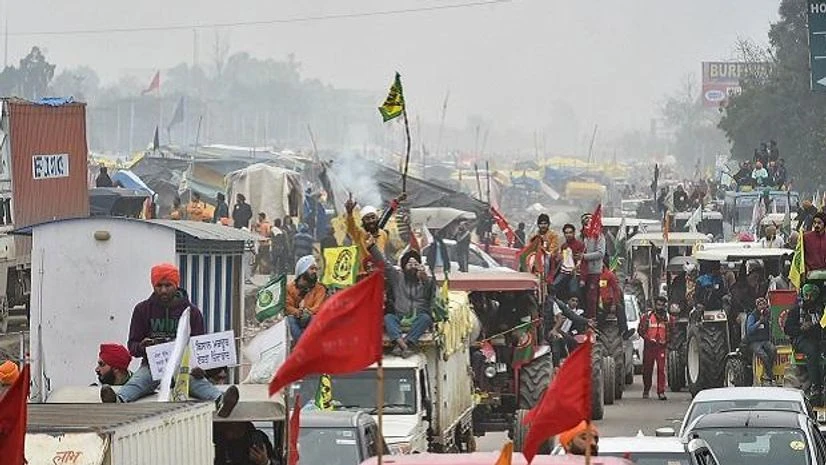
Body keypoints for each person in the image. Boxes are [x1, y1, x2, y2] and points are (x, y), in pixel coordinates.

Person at [100, 263, 239, 417]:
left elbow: (199, 347)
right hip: (153, 366)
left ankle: (221, 401)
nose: (163, 290)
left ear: (176, 285)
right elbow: (132, 347)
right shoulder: (142, 310)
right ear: (153, 285)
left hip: (183, 367)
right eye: (159, 285)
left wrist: (202, 370)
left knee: (197, 383)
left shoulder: (192, 313)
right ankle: (118, 400)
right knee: (138, 382)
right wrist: (142, 346)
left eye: (168, 285)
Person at [368, 237, 434, 358]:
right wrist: (372, 248)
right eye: (410, 264)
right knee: (388, 318)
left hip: (417, 317)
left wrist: (424, 278)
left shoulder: (425, 280)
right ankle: (404, 347)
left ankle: (402, 344)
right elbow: (385, 263)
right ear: (404, 266)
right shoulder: (397, 277)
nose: (413, 266)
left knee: (426, 318)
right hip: (400, 316)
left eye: (416, 264)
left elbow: (432, 294)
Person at [784, 284, 824, 400]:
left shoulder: (821, 310)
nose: (809, 298)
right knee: (812, 351)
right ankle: (815, 386)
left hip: (819, 338)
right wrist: (801, 328)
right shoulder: (796, 310)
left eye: (812, 296)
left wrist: (814, 326)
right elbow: (788, 329)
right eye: (807, 295)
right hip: (802, 339)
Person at [285, 255, 327, 341]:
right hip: (296, 318)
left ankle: (309, 344)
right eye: (311, 269)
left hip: (311, 318)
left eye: (316, 269)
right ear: (302, 271)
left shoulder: (320, 289)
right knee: (289, 320)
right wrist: (297, 312)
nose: (315, 271)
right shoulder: (290, 288)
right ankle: (301, 344)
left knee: (315, 319)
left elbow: (319, 306)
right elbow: (287, 306)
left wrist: (308, 312)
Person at [638, 296, 671, 400]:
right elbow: (640, 330)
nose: (660, 307)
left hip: (661, 347)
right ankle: (646, 389)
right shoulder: (647, 317)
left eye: (662, 305)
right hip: (649, 347)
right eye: (658, 305)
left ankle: (661, 392)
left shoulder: (668, 318)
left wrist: (666, 341)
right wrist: (647, 339)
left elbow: (672, 332)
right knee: (647, 369)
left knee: (661, 369)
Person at [345, 198, 390, 273]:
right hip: (363, 273)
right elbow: (351, 226)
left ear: (377, 218)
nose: (371, 221)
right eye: (367, 219)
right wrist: (349, 213)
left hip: (380, 273)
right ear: (363, 221)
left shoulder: (383, 234)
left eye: (373, 217)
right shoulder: (359, 233)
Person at [549, 295, 589, 365]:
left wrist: (572, 333)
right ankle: (556, 365)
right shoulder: (561, 308)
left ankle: (574, 362)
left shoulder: (580, 313)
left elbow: (579, 328)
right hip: (556, 330)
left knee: (573, 342)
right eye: (572, 300)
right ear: (568, 301)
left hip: (569, 333)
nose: (574, 303)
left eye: (576, 301)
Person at [580, 212, 606, 321]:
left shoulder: (599, 235)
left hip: (594, 270)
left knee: (592, 297)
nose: (588, 220)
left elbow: (601, 253)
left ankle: (592, 319)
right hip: (581, 271)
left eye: (590, 218)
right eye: (585, 218)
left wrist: (584, 257)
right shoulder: (581, 236)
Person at [747, 297, 778, 386]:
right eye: (760, 305)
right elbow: (749, 330)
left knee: (773, 350)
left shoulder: (767, 314)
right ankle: (769, 374)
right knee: (762, 354)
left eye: (763, 304)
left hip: (765, 340)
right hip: (754, 341)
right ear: (757, 306)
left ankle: (768, 371)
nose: (762, 307)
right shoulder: (752, 316)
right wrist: (759, 322)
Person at [553, 224, 584, 300]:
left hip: (575, 273)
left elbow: (582, 261)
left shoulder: (580, 245)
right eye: (566, 233)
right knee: (553, 287)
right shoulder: (564, 246)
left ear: (574, 233)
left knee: (573, 292)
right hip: (563, 272)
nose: (568, 235)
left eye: (570, 232)